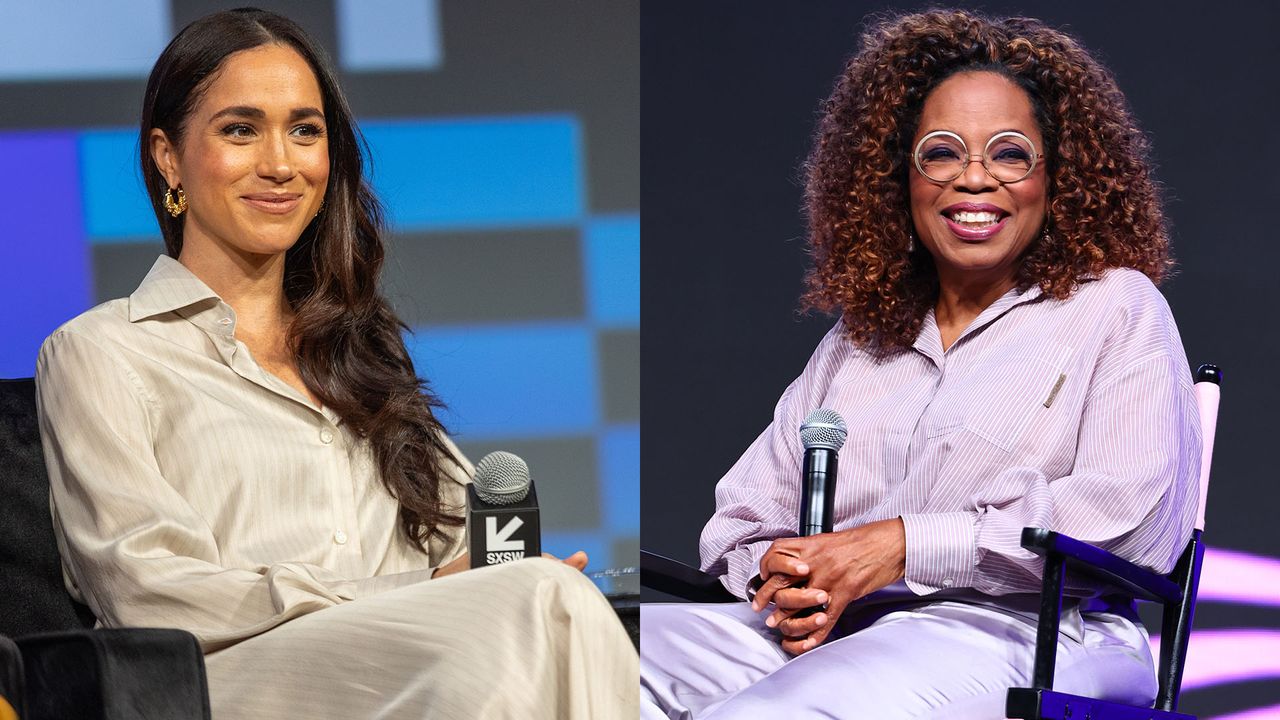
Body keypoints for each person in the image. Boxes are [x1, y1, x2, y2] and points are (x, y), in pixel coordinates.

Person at [35, 8, 636, 719]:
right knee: (538, 611)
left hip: (427, 671)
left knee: (553, 608)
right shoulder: (102, 351)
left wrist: (497, 575)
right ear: (169, 157)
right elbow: (147, 590)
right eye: (240, 129)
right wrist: (399, 594)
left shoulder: (361, 352)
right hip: (225, 686)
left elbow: (463, 550)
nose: (281, 163)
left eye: (304, 130)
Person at [640, 9, 1199, 719]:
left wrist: (905, 545)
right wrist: (786, 575)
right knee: (594, 654)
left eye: (1009, 153)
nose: (974, 178)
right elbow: (744, 519)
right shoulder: (860, 337)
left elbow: (1127, 521)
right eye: (940, 153)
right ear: (896, 180)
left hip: (1034, 630)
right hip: (835, 629)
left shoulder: (1115, 307)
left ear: (1059, 179)